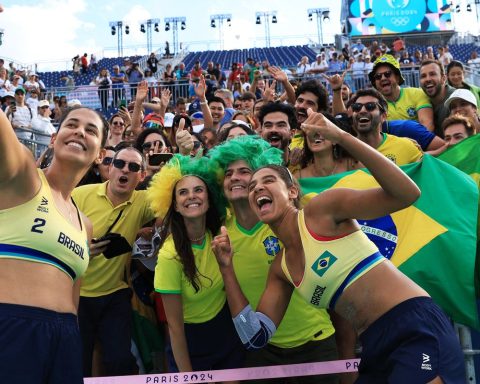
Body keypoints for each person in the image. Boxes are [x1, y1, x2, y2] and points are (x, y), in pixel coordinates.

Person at [212, 110, 465, 383]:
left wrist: (341, 136)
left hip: (414, 325)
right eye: (251, 187)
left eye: (268, 181)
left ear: (293, 191)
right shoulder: (281, 269)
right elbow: (255, 337)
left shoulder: (321, 210)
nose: (257, 189)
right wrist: (226, 268)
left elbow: (408, 193)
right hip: (373, 343)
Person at [209, 136, 342, 384]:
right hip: (263, 350)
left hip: (316, 343)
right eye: (228, 174)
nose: (234, 177)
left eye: (244, 171)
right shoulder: (220, 234)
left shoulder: (288, 221)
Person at [0, 105, 107, 383]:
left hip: (67, 338)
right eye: (71, 124)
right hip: (13, 327)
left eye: (91, 130)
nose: (80, 132)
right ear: (53, 138)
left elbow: (74, 295)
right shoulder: (24, 177)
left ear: (101, 155)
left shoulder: (86, 224)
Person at [146, 154, 244, 375]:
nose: (192, 196)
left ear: (209, 199)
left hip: (225, 333)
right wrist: (187, 375)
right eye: (183, 192)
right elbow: (175, 328)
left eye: (198, 190)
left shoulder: (220, 235)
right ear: (176, 206)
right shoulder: (169, 256)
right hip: (190, 341)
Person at [72, 146, 155, 377]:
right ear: (110, 168)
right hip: (76, 296)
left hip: (115, 295)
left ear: (141, 176)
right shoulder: (81, 195)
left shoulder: (143, 201)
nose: (124, 170)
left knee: (120, 362)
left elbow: (176, 199)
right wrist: (80, 248)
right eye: (119, 164)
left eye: (134, 167)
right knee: (78, 364)